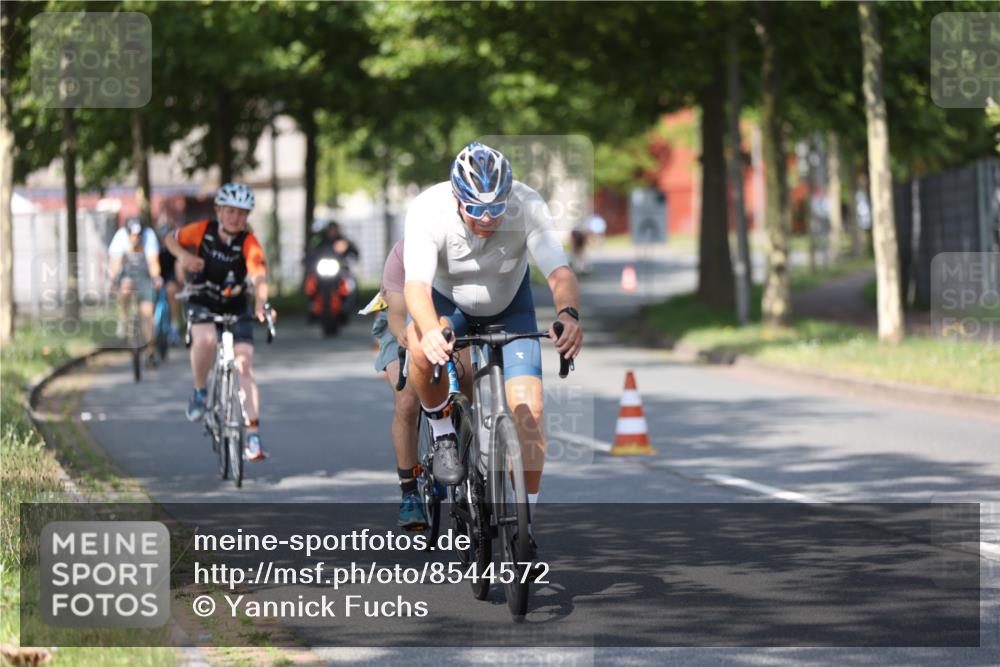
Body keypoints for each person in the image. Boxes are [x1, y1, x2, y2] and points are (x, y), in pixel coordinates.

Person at [403, 142, 584, 545]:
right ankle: (443, 431)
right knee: (419, 345)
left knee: (531, 413)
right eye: (476, 209)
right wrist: (432, 330)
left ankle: (526, 523)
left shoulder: (527, 205)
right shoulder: (427, 209)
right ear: (456, 197)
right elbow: (415, 286)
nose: (488, 219)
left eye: (496, 208)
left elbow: (558, 273)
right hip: (448, 304)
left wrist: (568, 314)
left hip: (510, 306)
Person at [163, 183, 274, 462]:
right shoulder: (202, 231)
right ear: (219, 211)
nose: (235, 218)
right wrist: (185, 256)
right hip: (203, 298)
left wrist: (261, 303)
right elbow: (170, 239)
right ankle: (200, 392)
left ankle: (253, 437)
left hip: (237, 303)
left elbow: (259, 275)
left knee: (244, 364)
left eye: (241, 213)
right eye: (230, 211)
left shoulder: (249, 243)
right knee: (205, 340)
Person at [107, 217, 162, 361]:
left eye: (138, 235)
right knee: (125, 285)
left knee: (147, 313)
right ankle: (124, 318)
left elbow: (153, 263)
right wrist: (114, 280)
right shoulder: (120, 237)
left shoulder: (149, 237)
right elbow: (114, 264)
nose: (135, 238)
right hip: (127, 275)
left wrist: (156, 278)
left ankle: (150, 349)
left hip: (144, 276)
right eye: (132, 235)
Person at [157, 216, 184, 344]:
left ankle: (174, 326)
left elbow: (179, 269)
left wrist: (181, 283)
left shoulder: (176, 251)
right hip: (157, 278)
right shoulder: (155, 248)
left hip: (171, 279)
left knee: (171, 290)